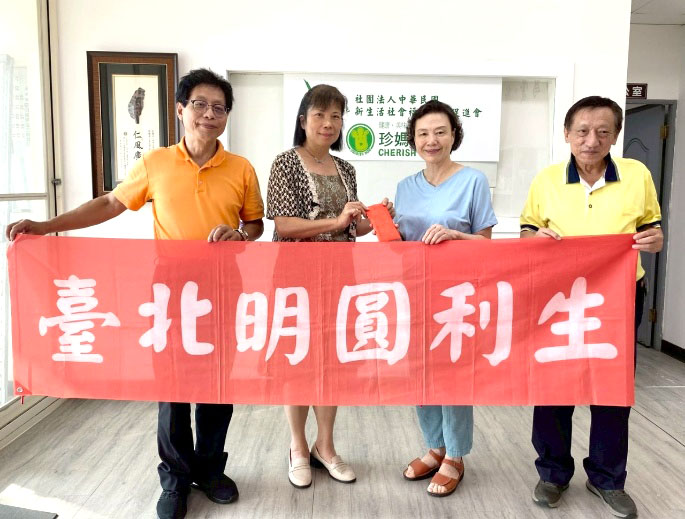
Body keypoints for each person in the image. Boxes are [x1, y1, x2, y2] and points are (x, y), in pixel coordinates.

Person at [6, 68, 265, 519]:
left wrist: (240, 234)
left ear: (227, 116)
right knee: (172, 388)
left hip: (224, 286)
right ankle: (175, 478)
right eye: (200, 105)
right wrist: (46, 226)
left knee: (217, 385)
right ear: (181, 110)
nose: (209, 114)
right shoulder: (155, 163)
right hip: (169, 290)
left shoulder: (241, 168)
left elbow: (256, 224)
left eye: (219, 107)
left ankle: (210, 470)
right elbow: (110, 203)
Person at [520, 95, 663, 519]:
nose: (591, 140)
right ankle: (552, 473)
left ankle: (607, 478)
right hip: (558, 297)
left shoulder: (636, 175)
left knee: (612, 388)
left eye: (603, 132)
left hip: (619, 295)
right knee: (554, 385)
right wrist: (535, 240)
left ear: (615, 136)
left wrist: (655, 240)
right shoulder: (547, 179)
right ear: (567, 134)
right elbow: (528, 231)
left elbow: (652, 229)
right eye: (582, 131)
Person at [266, 84, 392, 489]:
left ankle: (326, 445)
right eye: (320, 114)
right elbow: (284, 225)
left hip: (339, 279)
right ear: (303, 120)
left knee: (331, 362)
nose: (328, 123)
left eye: (336, 116)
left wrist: (373, 219)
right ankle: (298, 447)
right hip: (295, 279)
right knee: (297, 360)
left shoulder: (346, 169)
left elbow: (350, 228)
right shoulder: (285, 163)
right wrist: (336, 222)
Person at [395, 100, 497, 497]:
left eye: (440, 132)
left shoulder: (473, 181)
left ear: (454, 135)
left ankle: (455, 454)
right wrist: (383, 219)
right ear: (413, 140)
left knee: (453, 373)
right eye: (423, 133)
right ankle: (434, 447)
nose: (431, 140)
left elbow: (486, 243)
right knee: (421, 371)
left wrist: (455, 236)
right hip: (415, 292)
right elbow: (400, 243)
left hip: (458, 295)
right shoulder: (405, 187)